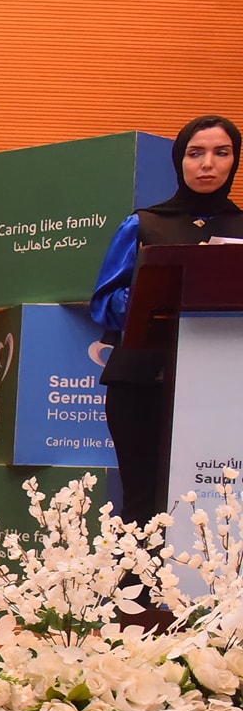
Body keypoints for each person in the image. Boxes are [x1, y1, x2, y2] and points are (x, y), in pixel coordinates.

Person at [89, 115, 242, 521]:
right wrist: (155, 294)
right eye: (195, 153)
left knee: (214, 505)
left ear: (234, 161)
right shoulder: (143, 223)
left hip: (225, 385)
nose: (207, 163)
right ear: (180, 161)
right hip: (142, 383)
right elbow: (103, 303)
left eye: (221, 153)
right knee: (144, 505)